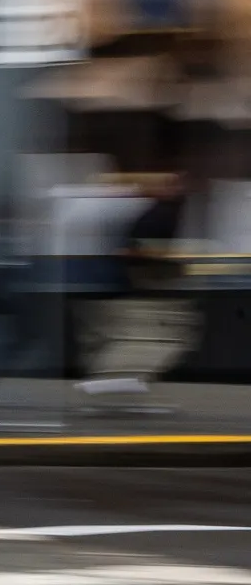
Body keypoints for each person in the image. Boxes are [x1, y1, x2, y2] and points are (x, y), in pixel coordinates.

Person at [75, 172, 198, 412]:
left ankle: (115, 386)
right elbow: (136, 250)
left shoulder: (152, 211)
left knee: (148, 336)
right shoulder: (157, 213)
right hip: (143, 286)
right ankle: (111, 384)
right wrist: (171, 261)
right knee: (155, 336)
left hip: (133, 284)